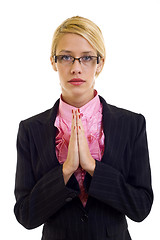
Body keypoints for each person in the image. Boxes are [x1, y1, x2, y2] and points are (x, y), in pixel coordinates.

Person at [14, 16, 153, 240]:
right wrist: (66, 169)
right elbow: (25, 215)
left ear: (100, 63)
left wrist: (92, 167)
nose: (76, 68)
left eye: (86, 58)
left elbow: (141, 207)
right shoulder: (31, 129)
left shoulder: (132, 124)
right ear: (53, 62)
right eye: (66, 57)